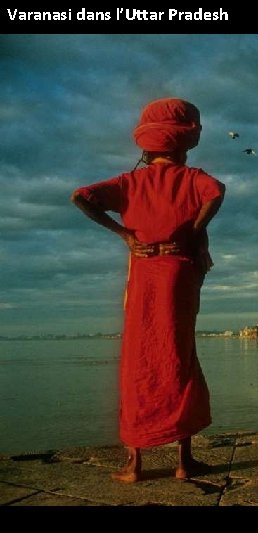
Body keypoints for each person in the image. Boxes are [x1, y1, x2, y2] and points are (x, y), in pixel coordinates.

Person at [71, 98, 225, 483]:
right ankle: (183, 461)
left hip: (143, 271)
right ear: (182, 145)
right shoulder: (193, 179)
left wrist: (125, 235)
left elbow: (81, 197)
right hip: (178, 270)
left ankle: (134, 463)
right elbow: (216, 193)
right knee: (178, 357)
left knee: (139, 360)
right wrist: (191, 230)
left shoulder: (129, 183)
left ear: (149, 145)